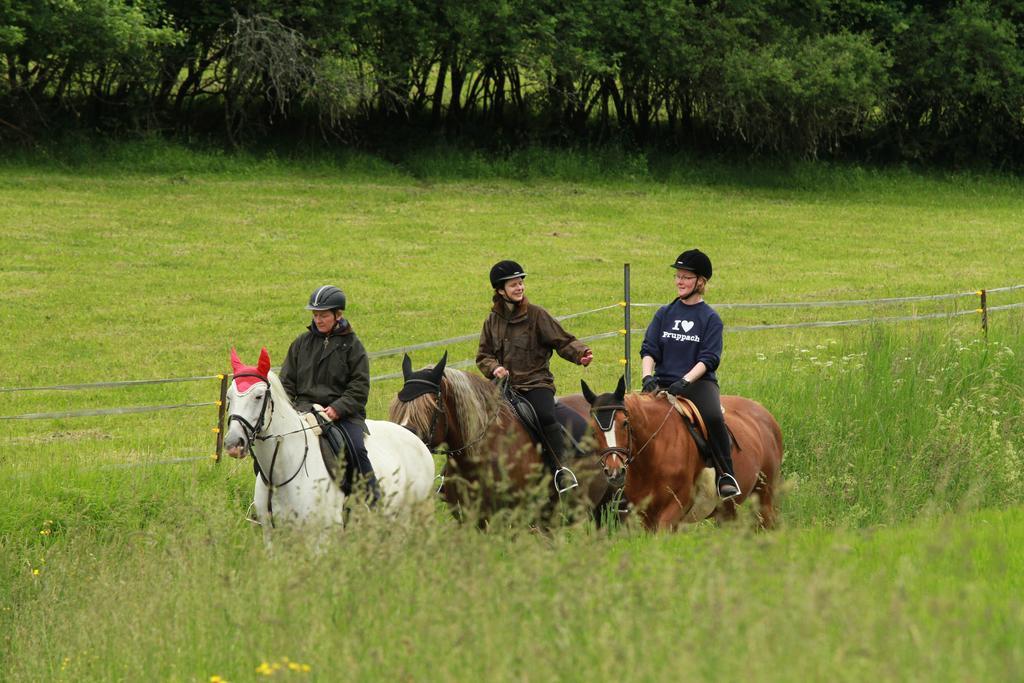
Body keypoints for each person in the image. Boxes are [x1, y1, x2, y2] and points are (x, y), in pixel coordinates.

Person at [476, 260, 593, 491]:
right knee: (474, 417)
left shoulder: (537, 315)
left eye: (521, 283)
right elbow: (483, 355)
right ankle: (454, 476)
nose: (519, 288)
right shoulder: (491, 321)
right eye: (513, 285)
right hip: (504, 387)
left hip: (535, 383)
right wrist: (494, 369)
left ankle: (562, 469)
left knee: (544, 416)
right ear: (500, 290)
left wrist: (580, 354)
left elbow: (563, 341)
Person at [639, 249, 740, 499]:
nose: (679, 282)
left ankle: (725, 474)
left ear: (701, 282)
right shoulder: (664, 313)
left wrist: (685, 381)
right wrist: (647, 376)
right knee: (629, 416)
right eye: (678, 276)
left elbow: (709, 359)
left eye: (685, 277)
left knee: (715, 417)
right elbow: (649, 348)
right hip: (661, 382)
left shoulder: (710, 319)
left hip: (697, 383)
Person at [280, 285, 380, 505]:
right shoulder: (300, 344)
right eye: (315, 315)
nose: (318, 319)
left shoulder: (353, 346)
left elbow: (359, 387)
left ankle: (372, 499)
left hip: (342, 415)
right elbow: (286, 382)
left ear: (338, 315)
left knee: (355, 448)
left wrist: (338, 408)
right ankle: (266, 502)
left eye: (323, 315)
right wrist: (290, 409)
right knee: (272, 445)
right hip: (303, 411)